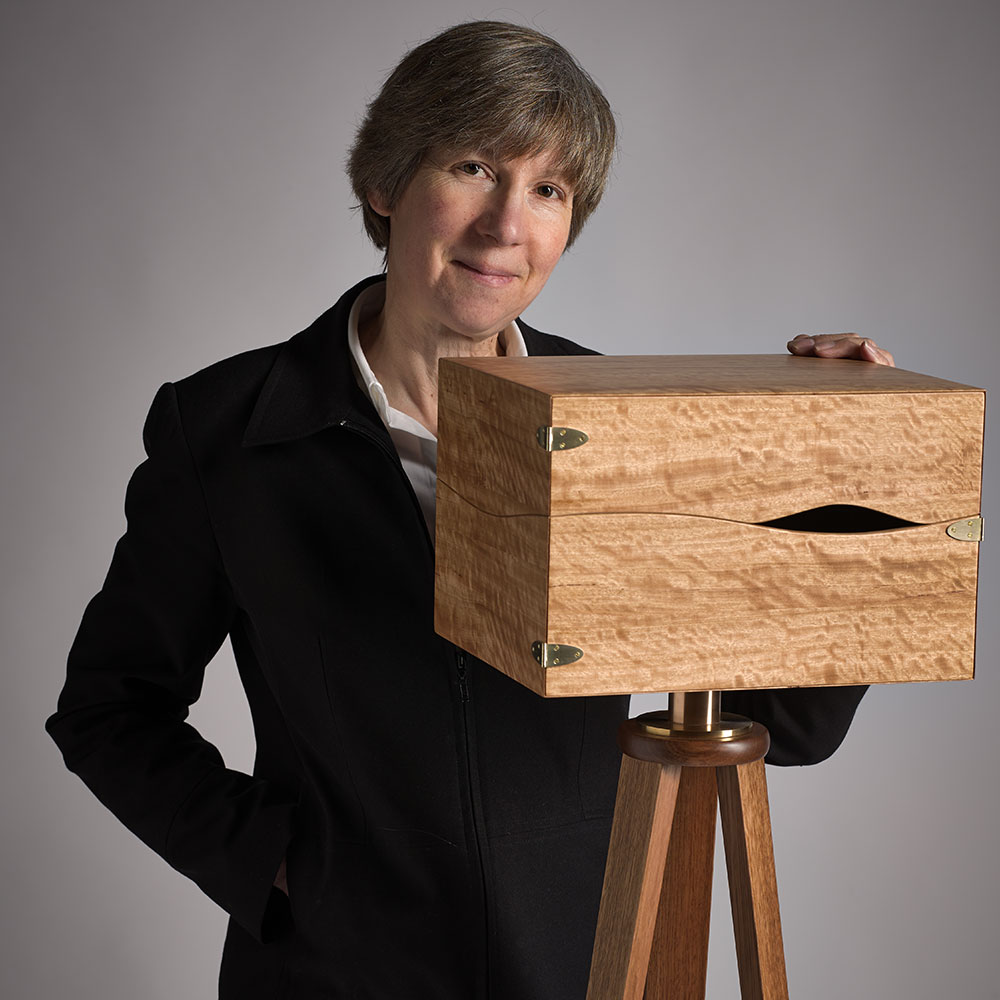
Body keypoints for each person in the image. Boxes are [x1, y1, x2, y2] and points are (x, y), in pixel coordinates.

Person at [47, 21, 894, 1000]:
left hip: (584, 968)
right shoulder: (224, 430)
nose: (506, 225)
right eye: (474, 165)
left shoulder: (616, 421)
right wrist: (281, 869)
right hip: (332, 977)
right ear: (385, 182)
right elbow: (109, 710)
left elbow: (784, 720)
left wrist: (849, 472)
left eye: (548, 190)